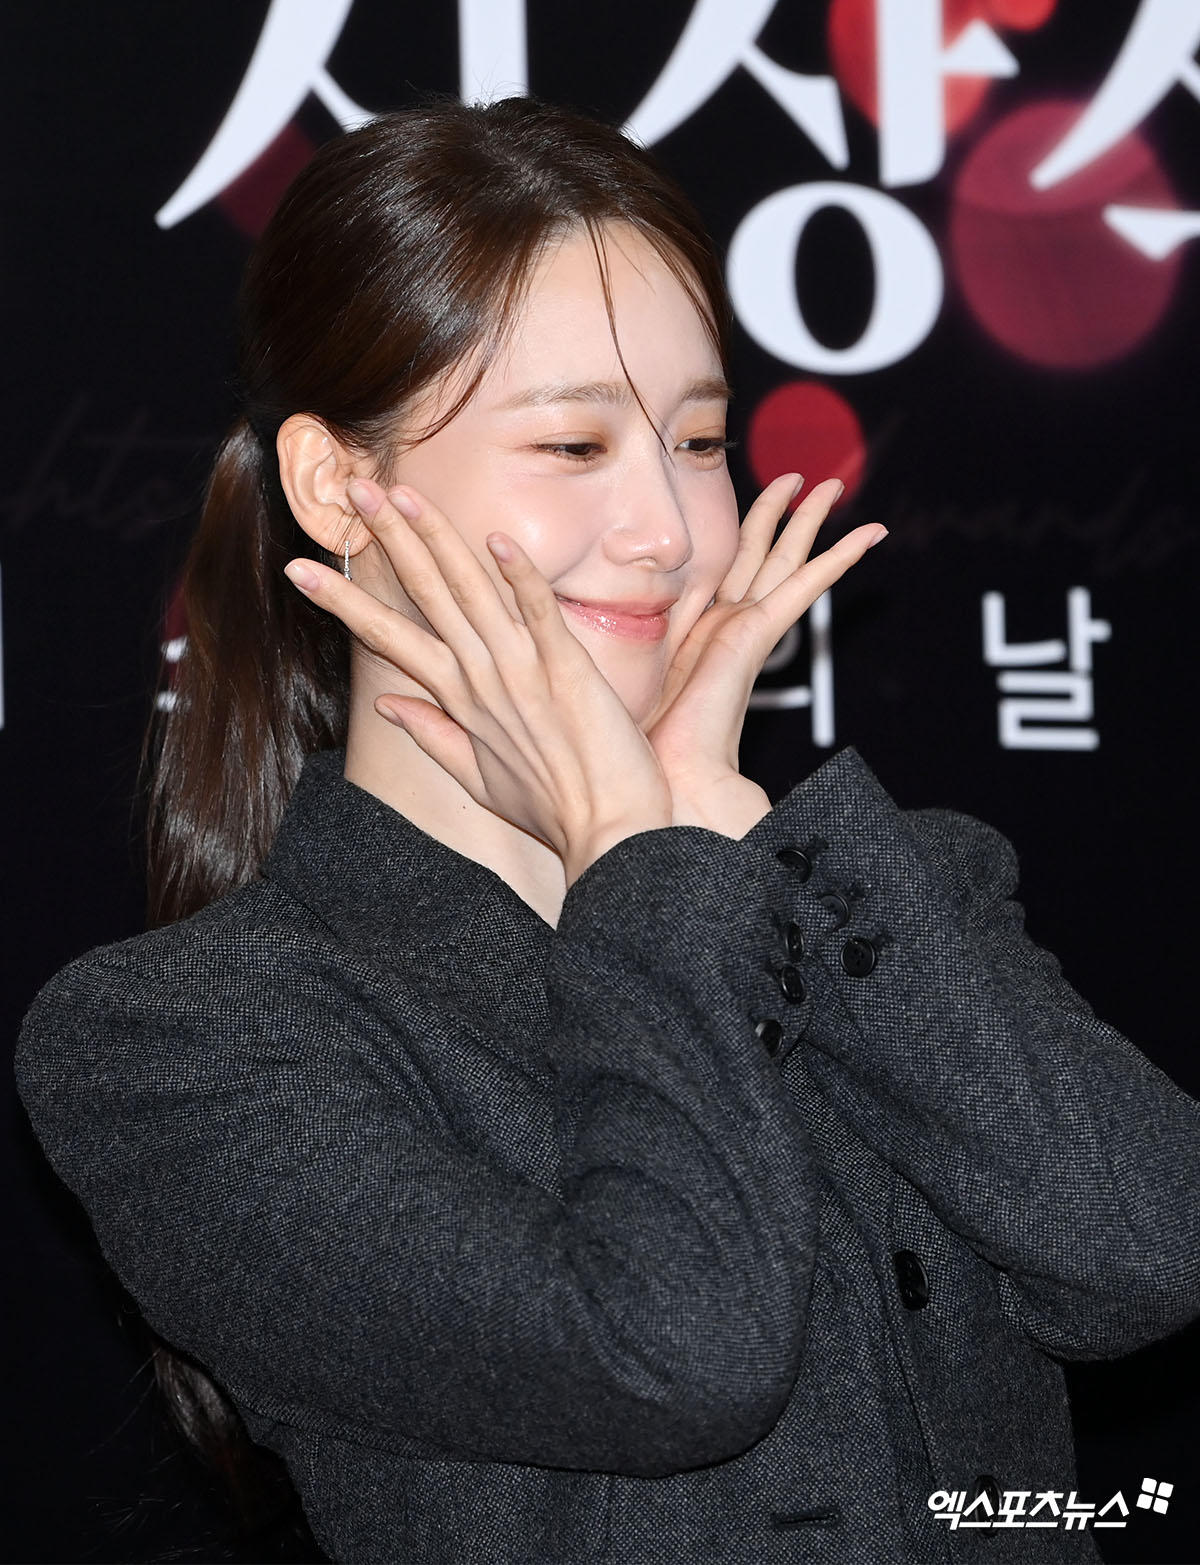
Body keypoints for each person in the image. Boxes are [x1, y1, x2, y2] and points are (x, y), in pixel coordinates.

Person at [16, 97, 1200, 1565]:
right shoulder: (185, 1039)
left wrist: (724, 832)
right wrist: (645, 863)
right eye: (574, 443)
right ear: (337, 486)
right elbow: (678, 1356)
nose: (670, 529)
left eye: (699, 439)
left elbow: (1145, 1257)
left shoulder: (874, 891)